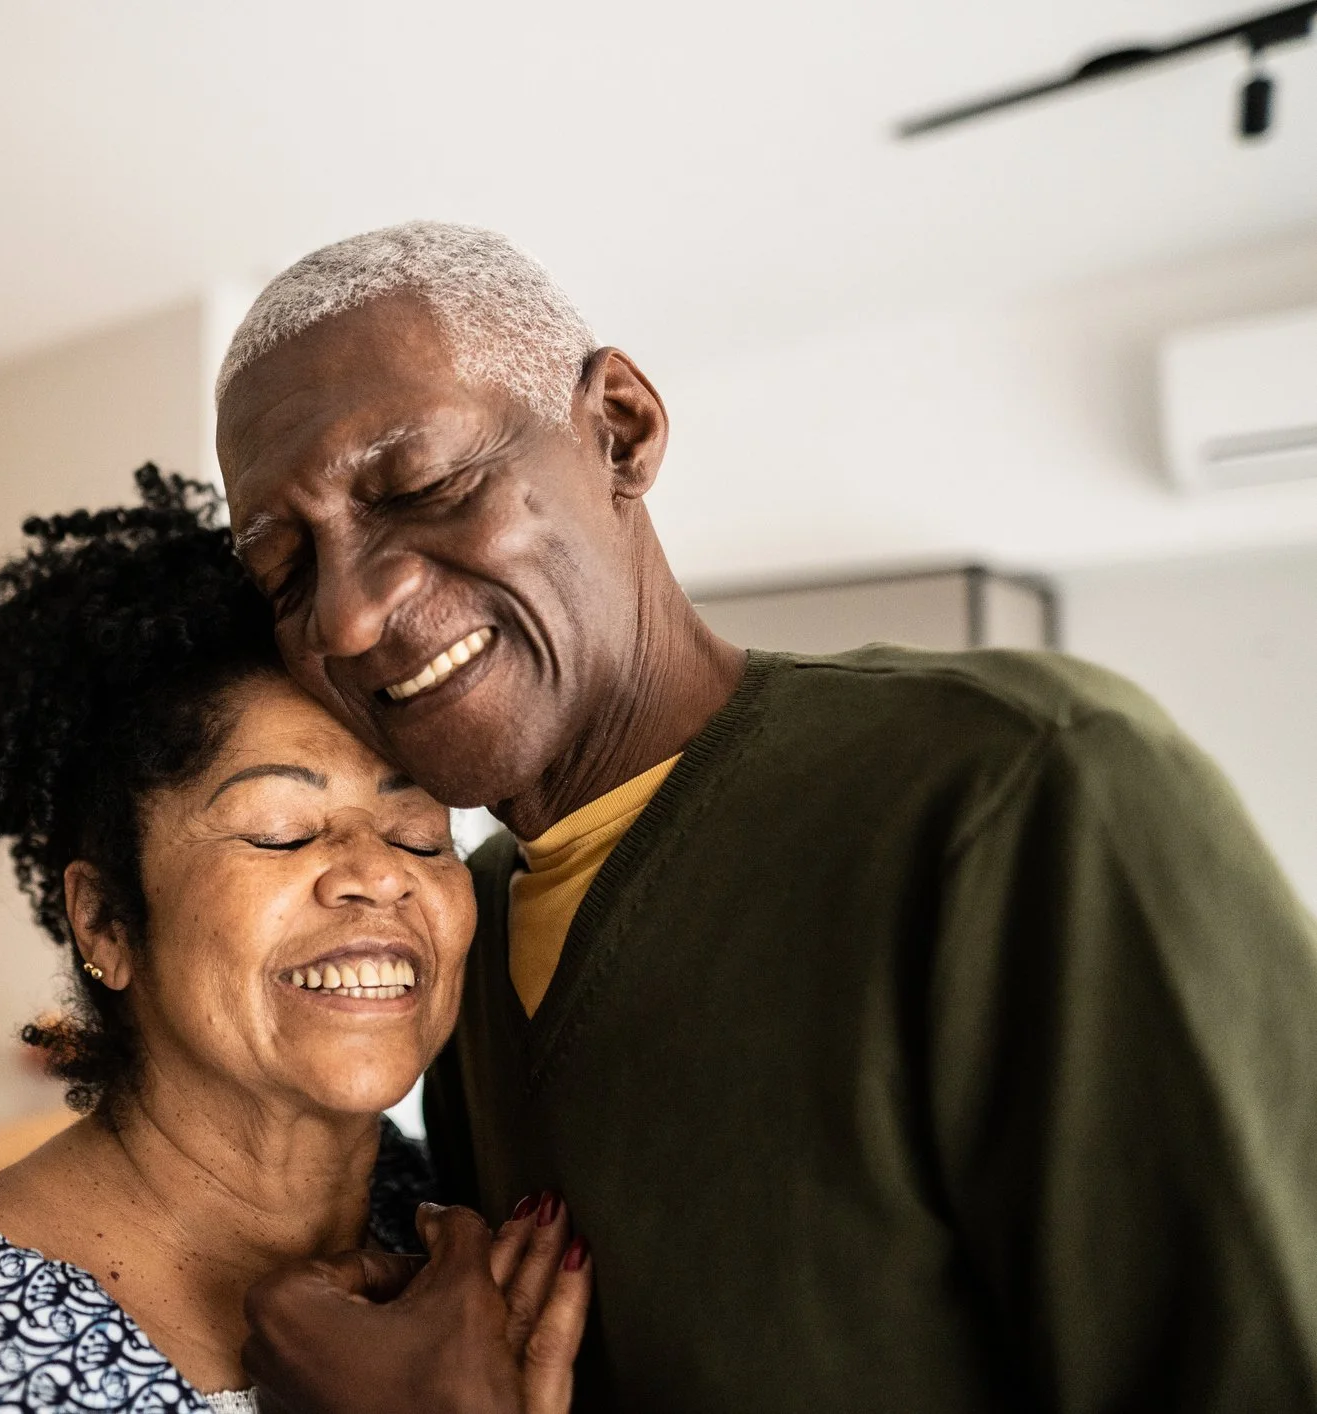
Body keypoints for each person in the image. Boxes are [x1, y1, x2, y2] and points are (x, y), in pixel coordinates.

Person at [214, 222, 1317, 1411]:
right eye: (285, 571)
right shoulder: (463, 939)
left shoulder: (1017, 793)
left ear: (619, 432)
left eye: (422, 486)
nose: (347, 616)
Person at [0, 467, 592, 1414]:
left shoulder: (450, 1236)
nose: (378, 872)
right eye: (281, 829)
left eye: (419, 834)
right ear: (107, 921)